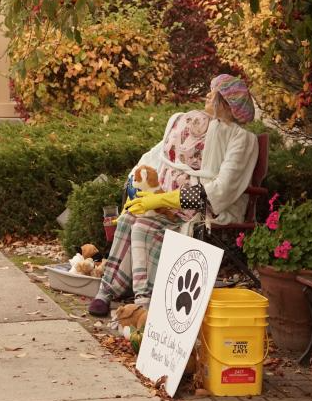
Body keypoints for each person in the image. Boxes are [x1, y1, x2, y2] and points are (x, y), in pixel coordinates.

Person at [87, 74, 260, 317]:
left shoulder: (242, 139)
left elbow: (221, 190)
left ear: (226, 104)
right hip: (172, 203)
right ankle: (107, 290)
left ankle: (144, 301)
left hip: (205, 208)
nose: (208, 96)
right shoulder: (194, 124)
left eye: (214, 93)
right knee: (128, 219)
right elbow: (158, 155)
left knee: (144, 226)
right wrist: (135, 189)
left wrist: (162, 200)